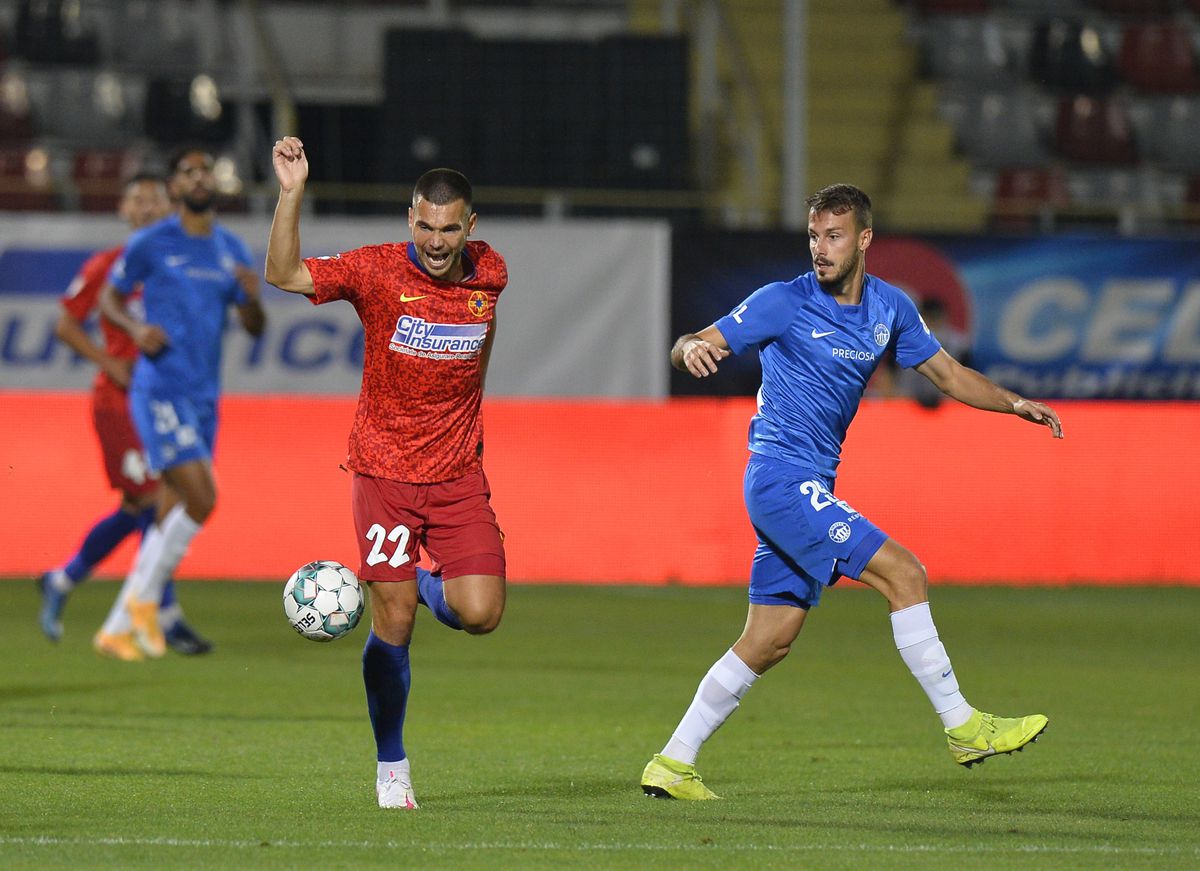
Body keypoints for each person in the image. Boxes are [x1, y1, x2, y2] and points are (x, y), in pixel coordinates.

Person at [640, 183, 1063, 801]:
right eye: (813, 236)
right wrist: (689, 352)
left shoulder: (890, 307)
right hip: (781, 479)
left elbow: (946, 374)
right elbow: (694, 341)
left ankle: (672, 762)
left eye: (833, 236)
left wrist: (1014, 404)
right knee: (906, 574)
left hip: (807, 482)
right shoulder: (782, 302)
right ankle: (964, 726)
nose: (820, 249)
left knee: (771, 638)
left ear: (864, 239)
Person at [266, 136, 508, 810]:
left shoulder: (491, 273)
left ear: (470, 226)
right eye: (425, 226)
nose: (436, 240)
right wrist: (291, 194)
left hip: (459, 473)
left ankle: (429, 583)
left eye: (449, 227)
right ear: (410, 220)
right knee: (392, 620)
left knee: (481, 613)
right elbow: (283, 274)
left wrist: (472, 418)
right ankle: (392, 763)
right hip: (384, 473)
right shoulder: (374, 271)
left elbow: (479, 349)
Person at [96, 145, 265, 660]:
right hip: (161, 388)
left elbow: (255, 328)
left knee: (169, 511)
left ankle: (120, 624)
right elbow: (109, 297)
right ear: (174, 188)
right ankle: (144, 604)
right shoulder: (152, 242)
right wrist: (134, 327)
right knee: (203, 498)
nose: (197, 176)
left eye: (204, 169)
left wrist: (253, 298)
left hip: (204, 396)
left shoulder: (230, 248)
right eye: (187, 171)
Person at [38, 172, 212, 657]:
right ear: (124, 211)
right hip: (119, 403)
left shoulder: (176, 266)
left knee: (142, 505)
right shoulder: (108, 266)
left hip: (166, 398)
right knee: (157, 498)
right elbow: (65, 326)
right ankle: (162, 614)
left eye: (156, 200)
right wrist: (109, 362)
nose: (148, 207)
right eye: (139, 200)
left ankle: (62, 580)